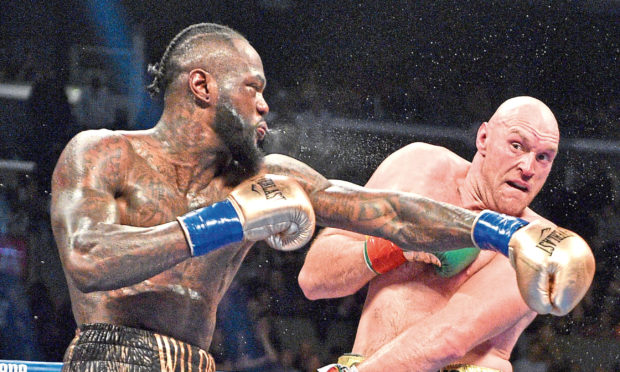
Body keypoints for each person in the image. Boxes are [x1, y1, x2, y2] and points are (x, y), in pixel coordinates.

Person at [51, 22, 592, 371]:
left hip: (198, 361)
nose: (265, 106)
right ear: (202, 87)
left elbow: (391, 213)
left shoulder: (268, 176)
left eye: (543, 157)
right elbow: (88, 260)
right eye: (253, 88)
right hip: (111, 355)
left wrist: (505, 232)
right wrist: (227, 220)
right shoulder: (103, 152)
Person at [300, 97, 594, 372]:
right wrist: (393, 245)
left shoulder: (534, 243)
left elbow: (448, 340)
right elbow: (313, 279)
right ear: (483, 139)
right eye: (517, 146)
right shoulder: (416, 168)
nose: (528, 168)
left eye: (543, 157)